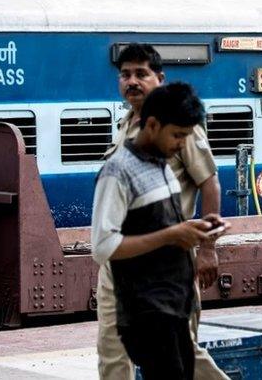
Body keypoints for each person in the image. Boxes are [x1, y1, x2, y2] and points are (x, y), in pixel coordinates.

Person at [97, 43, 228, 380]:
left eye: (142, 74)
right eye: (125, 75)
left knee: (180, 353)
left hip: (167, 268)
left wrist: (207, 249)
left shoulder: (180, 124)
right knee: (113, 353)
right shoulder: (127, 131)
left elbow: (209, 183)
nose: (132, 82)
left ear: (159, 77)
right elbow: (104, 243)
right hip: (124, 266)